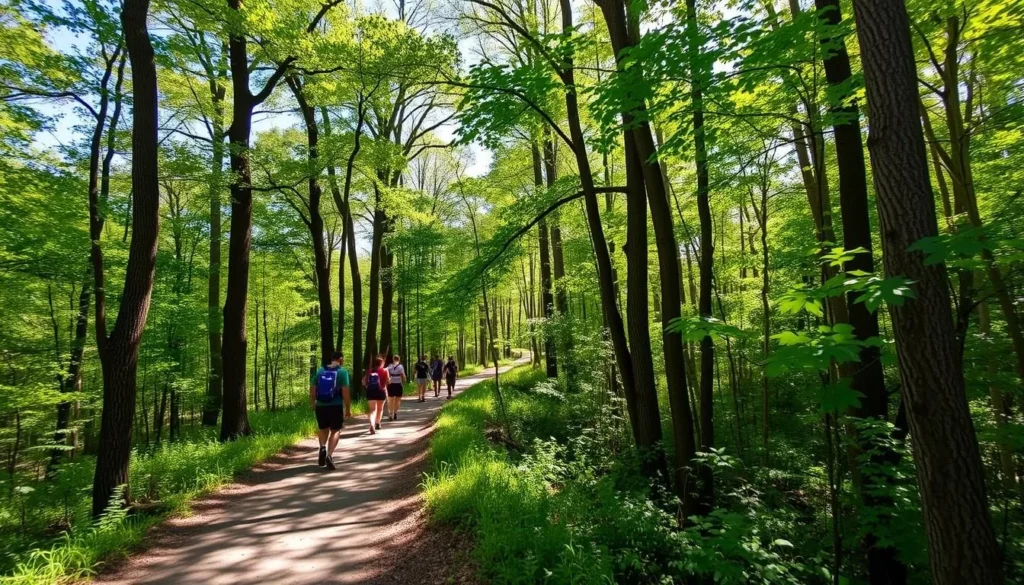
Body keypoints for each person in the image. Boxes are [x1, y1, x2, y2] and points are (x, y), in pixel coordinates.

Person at [309, 351, 350, 470]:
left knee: (323, 428)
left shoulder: (320, 371)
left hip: (321, 405)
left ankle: (322, 447)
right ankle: (329, 455)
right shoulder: (342, 372)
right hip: (336, 405)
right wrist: (347, 408)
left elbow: (312, 389)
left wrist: (313, 403)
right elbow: (345, 392)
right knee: (335, 430)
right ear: (340, 359)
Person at [363, 357, 390, 434]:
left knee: (372, 410)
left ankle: (372, 425)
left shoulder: (369, 371)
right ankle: (378, 423)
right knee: (380, 409)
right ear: (382, 363)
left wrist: (368, 386)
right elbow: (387, 382)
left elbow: (363, 382)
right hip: (381, 391)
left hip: (371, 392)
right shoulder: (385, 370)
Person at [386, 355, 406, 421]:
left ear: (393, 359)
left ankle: (390, 413)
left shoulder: (389, 366)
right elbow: (403, 375)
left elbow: (386, 373)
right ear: (399, 360)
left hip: (391, 384)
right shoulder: (401, 366)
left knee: (390, 400)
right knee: (397, 400)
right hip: (398, 384)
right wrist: (403, 382)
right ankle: (395, 412)